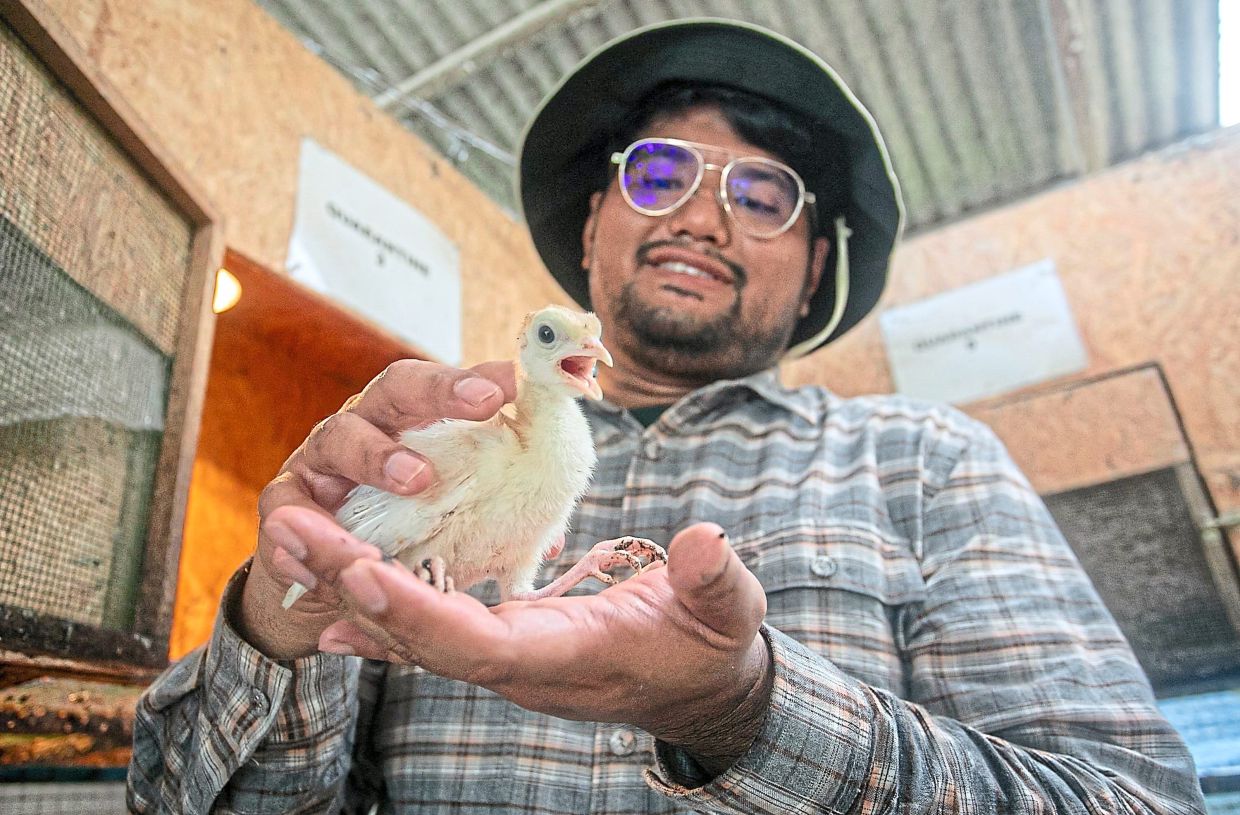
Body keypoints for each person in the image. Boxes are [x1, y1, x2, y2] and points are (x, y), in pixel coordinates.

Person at [128, 19, 1206, 814]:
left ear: (816, 258)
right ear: (596, 217)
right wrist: (278, 621)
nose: (698, 212)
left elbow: (1133, 799)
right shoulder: (441, 443)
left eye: (761, 194)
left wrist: (747, 711)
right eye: (657, 171)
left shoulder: (927, 464)